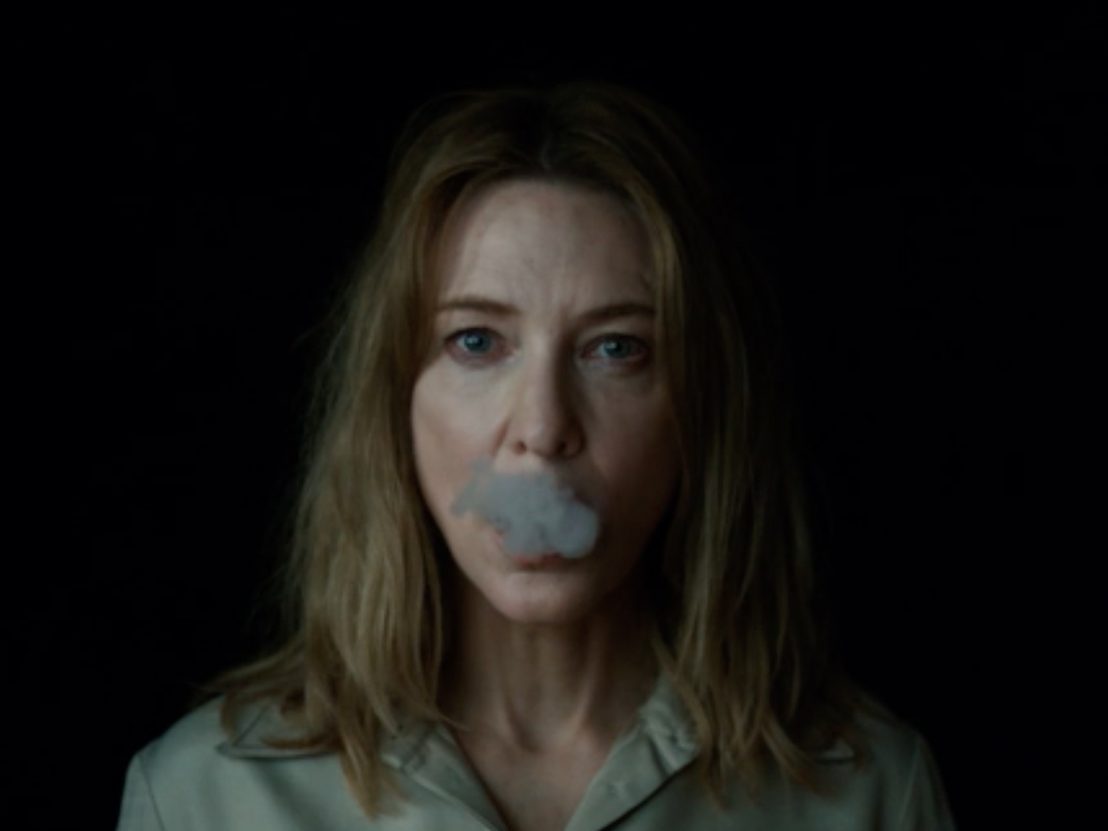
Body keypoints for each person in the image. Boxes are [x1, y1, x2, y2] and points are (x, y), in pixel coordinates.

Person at [116, 79, 956, 830]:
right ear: (394, 405)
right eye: (477, 341)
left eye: (616, 348)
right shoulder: (204, 797)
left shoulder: (864, 793)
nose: (545, 426)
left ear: (699, 414)